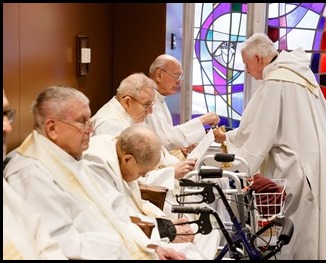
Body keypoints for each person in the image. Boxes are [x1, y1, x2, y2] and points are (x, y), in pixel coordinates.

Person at [3, 85, 185, 260]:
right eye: (82, 122)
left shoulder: (72, 159)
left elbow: (116, 210)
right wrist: (121, 248)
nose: (90, 129)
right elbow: (62, 243)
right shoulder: (30, 174)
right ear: (52, 128)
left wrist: (151, 248)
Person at [213, 33, 326, 260]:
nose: (247, 71)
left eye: (247, 65)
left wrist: (227, 139)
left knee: (299, 232)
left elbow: (258, 132)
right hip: (315, 160)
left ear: (258, 58)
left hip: (298, 168)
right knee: (314, 227)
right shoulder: (299, 74)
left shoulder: (277, 82)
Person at [83, 124, 220, 259]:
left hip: (139, 231)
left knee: (207, 236)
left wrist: (167, 227)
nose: (141, 177)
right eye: (142, 173)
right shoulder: (97, 165)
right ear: (127, 159)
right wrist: (166, 231)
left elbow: (127, 208)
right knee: (189, 252)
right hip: (116, 242)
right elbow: (116, 216)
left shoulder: (115, 147)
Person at [90, 73, 198, 218]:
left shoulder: (127, 115)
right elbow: (126, 175)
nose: (150, 111)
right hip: (132, 197)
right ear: (127, 101)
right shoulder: (110, 125)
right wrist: (170, 172)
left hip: (146, 187)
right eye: (146, 105)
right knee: (191, 216)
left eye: (151, 105)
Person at [3, 89, 67, 260]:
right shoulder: (27, 171)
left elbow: (44, 242)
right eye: (82, 121)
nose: (8, 127)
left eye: (5, 114)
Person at [145, 54, 220, 155]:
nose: (179, 82)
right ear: (159, 75)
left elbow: (167, 135)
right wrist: (202, 121)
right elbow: (163, 141)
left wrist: (179, 147)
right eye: (176, 76)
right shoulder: (145, 99)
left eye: (181, 77)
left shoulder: (159, 98)